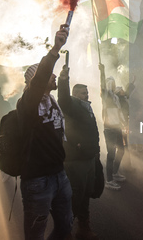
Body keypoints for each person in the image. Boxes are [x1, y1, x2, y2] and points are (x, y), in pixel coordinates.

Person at [16, 25, 72, 240]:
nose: (54, 76)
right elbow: (39, 80)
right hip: (38, 181)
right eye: (50, 74)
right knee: (35, 235)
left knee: (66, 226)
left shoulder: (50, 100)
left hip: (59, 174)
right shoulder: (28, 103)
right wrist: (55, 49)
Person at [58, 65, 101, 240]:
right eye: (83, 93)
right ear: (75, 95)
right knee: (75, 197)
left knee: (86, 195)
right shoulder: (72, 106)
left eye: (87, 92)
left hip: (89, 158)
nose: (87, 95)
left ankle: (83, 228)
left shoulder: (87, 107)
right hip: (76, 160)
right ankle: (64, 231)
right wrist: (63, 80)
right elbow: (63, 99)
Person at [99, 64, 127, 191]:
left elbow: (119, 112)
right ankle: (109, 180)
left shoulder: (115, 97)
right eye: (112, 83)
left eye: (114, 82)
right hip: (110, 129)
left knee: (122, 149)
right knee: (111, 154)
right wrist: (103, 72)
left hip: (117, 127)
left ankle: (115, 172)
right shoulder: (106, 96)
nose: (113, 85)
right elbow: (103, 86)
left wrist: (123, 124)